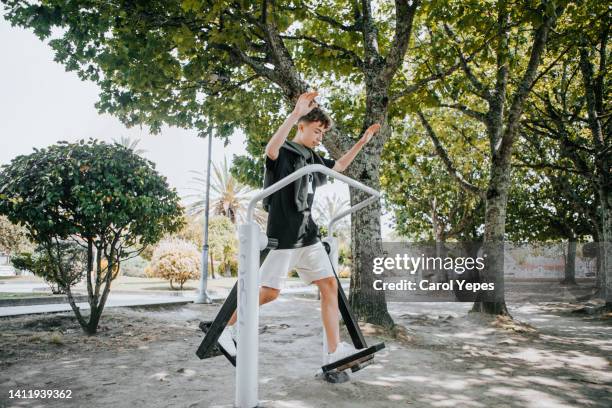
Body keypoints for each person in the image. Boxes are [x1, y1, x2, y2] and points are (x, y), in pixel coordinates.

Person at [219, 91, 381, 364]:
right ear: (301, 126)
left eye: (322, 134)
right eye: (316, 131)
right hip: (284, 234)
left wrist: (361, 143)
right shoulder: (284, 151)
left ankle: (334, 352)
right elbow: (270, 151)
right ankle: (227, 328)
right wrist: (295, 113)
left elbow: (339, 166)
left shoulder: (313, 158)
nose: (319, 138)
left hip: (308, 234)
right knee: (269, 293)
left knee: (329, 285)